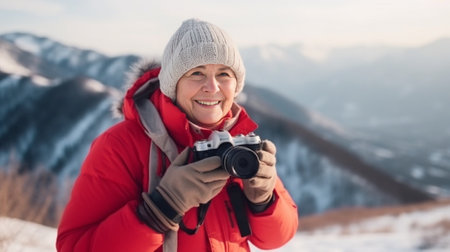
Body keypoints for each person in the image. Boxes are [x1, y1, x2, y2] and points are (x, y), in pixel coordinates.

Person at [56, 18, 298, 252]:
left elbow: (276, 239)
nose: (212, 87)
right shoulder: (121, 145)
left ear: (236, 85)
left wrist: (264, 201)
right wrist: (161, 208)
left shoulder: (237, 143)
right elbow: (73, 246)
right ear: (173, 84)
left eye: (224, 74)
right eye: (196, 73)